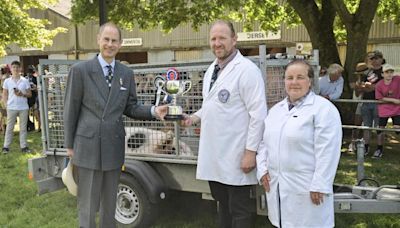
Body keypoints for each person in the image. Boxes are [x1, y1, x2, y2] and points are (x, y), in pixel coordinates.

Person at [63, 22, 167, 228]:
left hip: (113, 145)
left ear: (120, 44)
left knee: (110, 203)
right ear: (98, 40)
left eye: (114, 41)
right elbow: (70, 109)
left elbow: (131, 107)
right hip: (88, 146)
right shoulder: (81, 70)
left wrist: (154, 111)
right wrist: (69, 144)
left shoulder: (125, 73)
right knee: (88, 204)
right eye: (106, 40)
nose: (110, 44)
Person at [181, 20, 267, 228]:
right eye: (213, 38)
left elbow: (258, 114)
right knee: (222, 204)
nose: (217, 43)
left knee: (239, 209)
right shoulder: (212, 69)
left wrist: (250, 152)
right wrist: (193, 118)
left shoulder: (247, 71)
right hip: (216, 154)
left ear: (234, 40)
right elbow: (212, 104)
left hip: (236, 153)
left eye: (222, 38)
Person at [256, 60, 342, 228]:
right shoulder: (276, 110)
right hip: (278, 185)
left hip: (308, 187)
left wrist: (320, 183)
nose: (294, 82)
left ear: (310, 81)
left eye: (300, 77)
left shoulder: (323, 109)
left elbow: (328, 151)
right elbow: (263, 143)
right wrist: (262, 169)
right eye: (289, 78)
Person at [355, 50, 384, 156]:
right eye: (372, 59)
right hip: (365, 102)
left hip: (379, 102)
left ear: (381, 59)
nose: (374, 61)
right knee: (366, 126)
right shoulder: (365, 72)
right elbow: (360, 90)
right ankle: (366, 147)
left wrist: (371, 87)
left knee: (378, 127)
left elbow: (382, 88)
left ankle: (379, 148)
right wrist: (361, 87)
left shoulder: (384, 72)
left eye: (376, 58)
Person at [2, 61, 32, 154]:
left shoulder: (25, 80)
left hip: (23, 107)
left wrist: (22, 94)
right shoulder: (7, 81)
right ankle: (6, 147)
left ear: (20, 69)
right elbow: (4, 94)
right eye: (13, 67)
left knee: (23, 128)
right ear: (11, 69)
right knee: (9, 128)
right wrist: (6, 105)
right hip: (11, 107)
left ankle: (24, 146)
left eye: (17, 67)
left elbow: (30, 94)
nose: (15, 69)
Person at [374, 64, 400, 158]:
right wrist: (394, 100)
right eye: (387, 72)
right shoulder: (379, 85)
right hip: (384, 109)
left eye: (391, 72)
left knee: (397, 128)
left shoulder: (397, 79)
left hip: (397, 110)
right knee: (380, 129)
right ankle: (379, 148)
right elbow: (379, 98)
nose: (389, 74)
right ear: (382, 74)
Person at [348, 62, 368, 152]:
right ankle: (353, 143)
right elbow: (356, 95)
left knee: (367, 125)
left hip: (369, 103)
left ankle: (365, 144)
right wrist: (358, 87)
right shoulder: (358, 82)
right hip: (361, 103)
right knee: (357, 123)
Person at [26, 65, 38, 131]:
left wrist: (33, 88)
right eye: (28, 72)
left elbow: (37, 89)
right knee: (25, 112)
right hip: (26, 97)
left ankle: (30, 125)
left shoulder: (35, 79)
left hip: (33, 97)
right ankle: (29, 125)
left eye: (30, 72)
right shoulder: (25, 78)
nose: (29, 74)